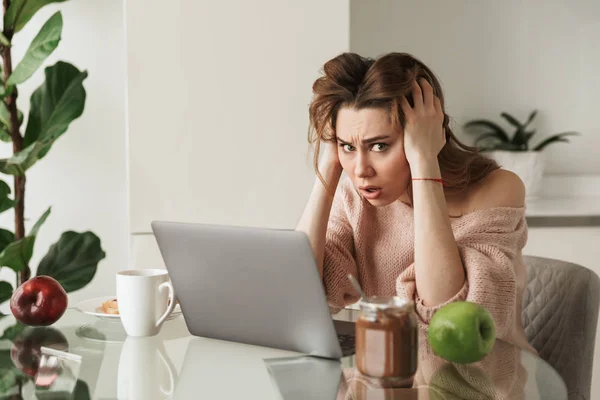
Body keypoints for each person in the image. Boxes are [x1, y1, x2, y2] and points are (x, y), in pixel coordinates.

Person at [295, 52, 537, 354]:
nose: (361, 170)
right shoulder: (356, 195)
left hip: (483, 381)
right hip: (394, 375)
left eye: (380, 145)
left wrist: (424, 162)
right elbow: (301, 294)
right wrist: (329, 168)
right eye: (348, 147)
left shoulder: (498, 189)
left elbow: (449, 316)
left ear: (426, 133)